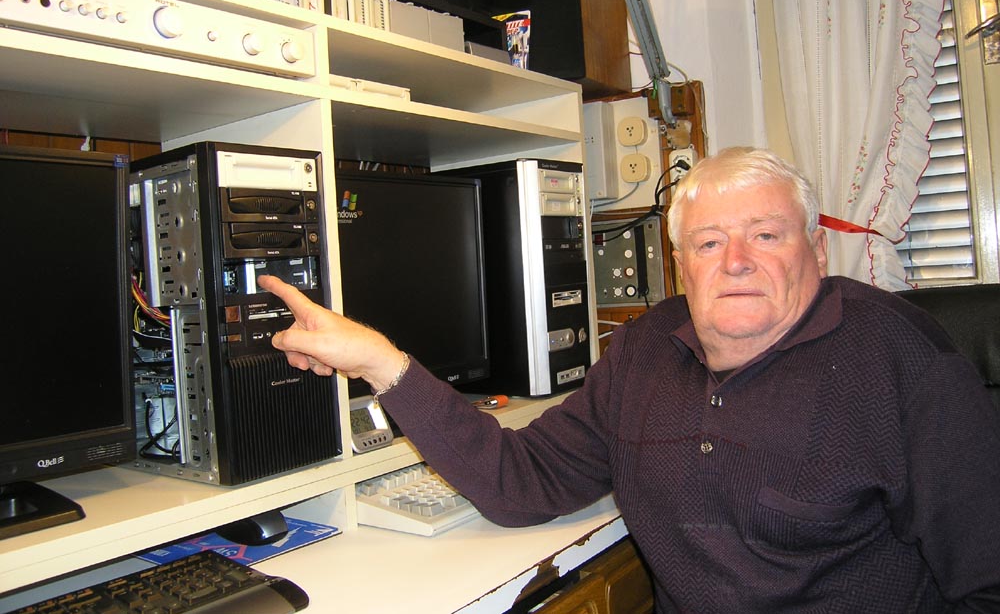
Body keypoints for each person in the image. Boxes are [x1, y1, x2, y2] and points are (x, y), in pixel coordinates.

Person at [257, 147, 1000, 612]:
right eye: (709, 243)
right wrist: (381, 362)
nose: (736, 261)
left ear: (815, 249)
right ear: (679, 265)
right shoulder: (644, 353)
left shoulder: (901, 360)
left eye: (766, 235)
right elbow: (520, 481)